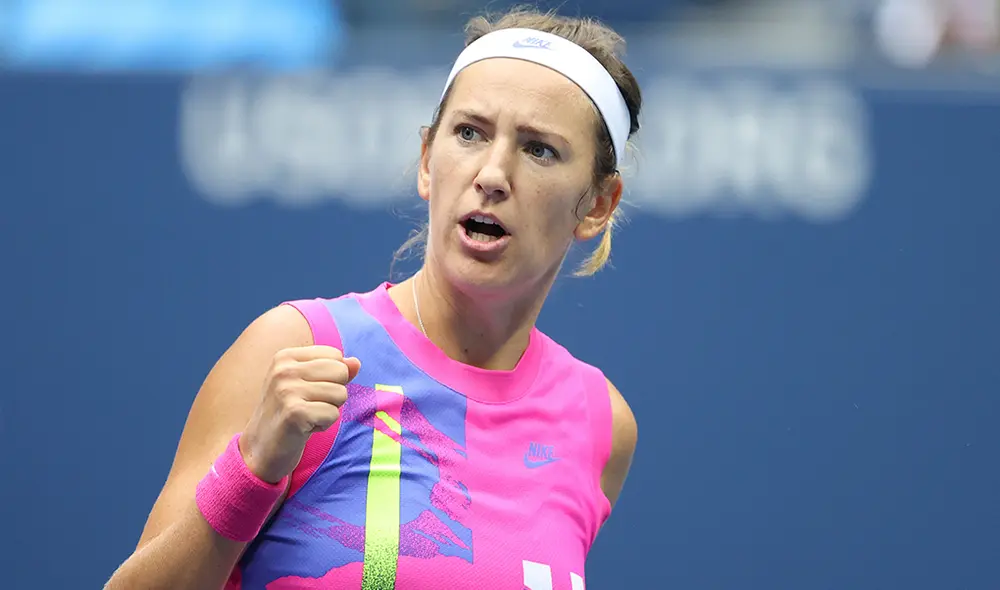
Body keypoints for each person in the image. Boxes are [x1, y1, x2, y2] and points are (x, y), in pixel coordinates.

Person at [106, 6, 641, 589]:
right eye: (469, 133)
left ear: (597, 205)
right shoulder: (296, 349)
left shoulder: (599, 421)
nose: (492, 172)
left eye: (539, 149)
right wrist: (253, 467)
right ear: (426, 162)